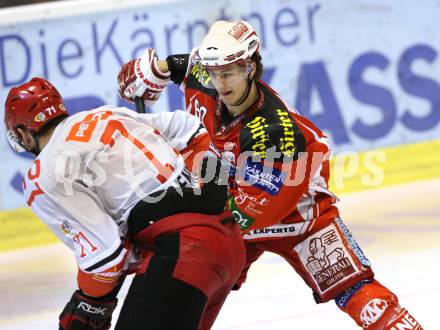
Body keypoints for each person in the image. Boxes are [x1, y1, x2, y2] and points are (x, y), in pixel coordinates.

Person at [117, 20, 424, 329]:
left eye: (229, 73)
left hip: (296, 216)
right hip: (233, 199)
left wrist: (180, 223)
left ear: (250, 67)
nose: (220, 84)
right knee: (191, 285)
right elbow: (186, 65)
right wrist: (154, 70)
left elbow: (251, 214)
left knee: (354, 291)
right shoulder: (208, 76)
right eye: (215, 73)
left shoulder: (274, 135)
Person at [4, 77, 246, 330]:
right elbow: (191, 129)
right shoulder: (106, 114)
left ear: (22, 134)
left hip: (183, 254)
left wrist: (89, 302)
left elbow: (106, 256)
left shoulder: (42, 175)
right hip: (228, 241)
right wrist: (197, 197)